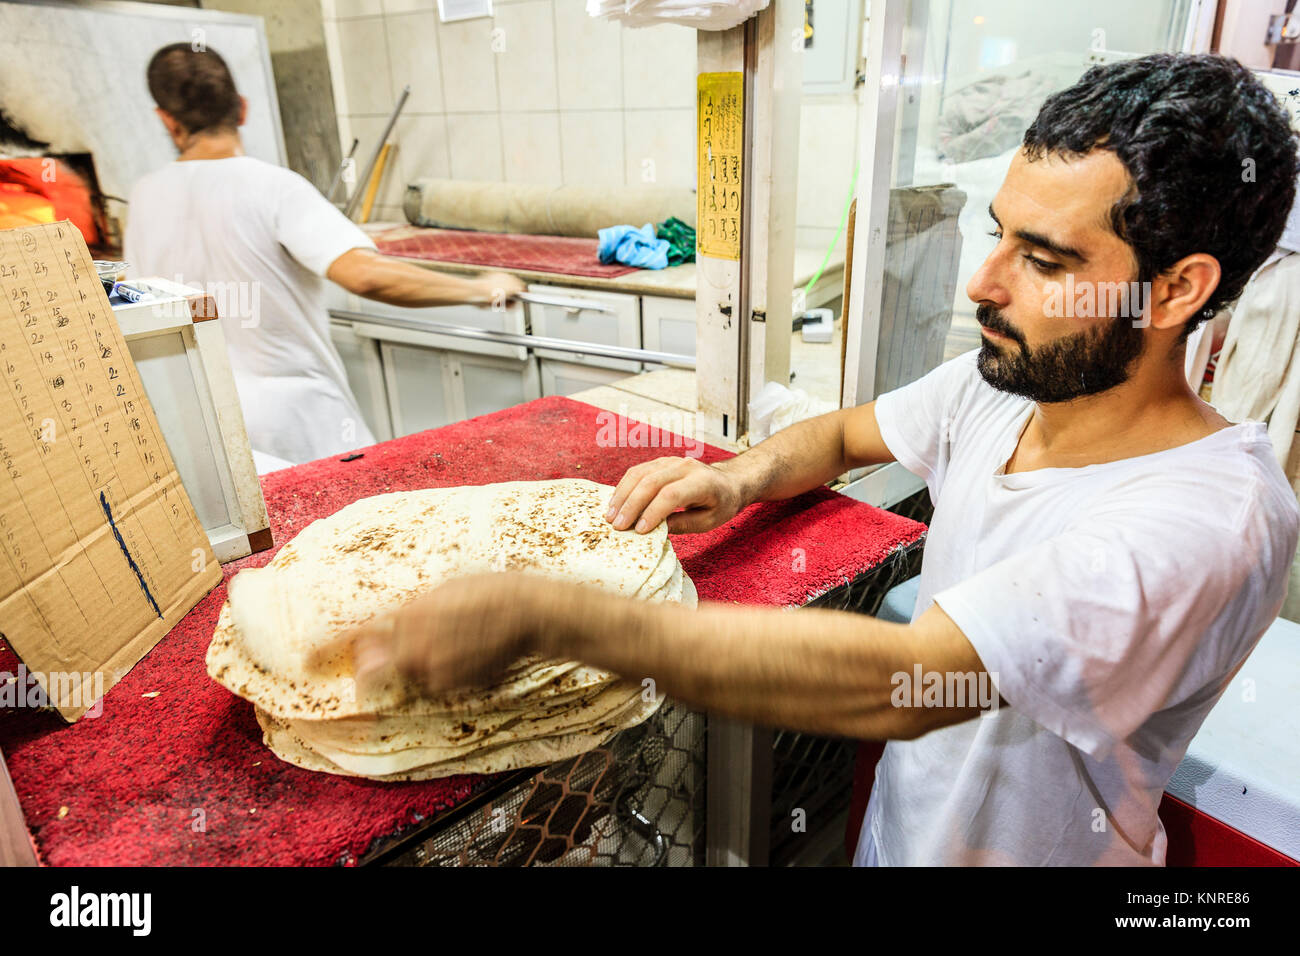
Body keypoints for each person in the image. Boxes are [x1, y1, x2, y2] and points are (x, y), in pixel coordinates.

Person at [342, 54, 1300, 866]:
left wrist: (547, 616)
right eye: (998, 231)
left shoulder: (1209, 518)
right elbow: (845, 436)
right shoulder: (1008, 384)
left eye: (1044, 260)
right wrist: (736, 478)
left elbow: (914, 681)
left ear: (1178, 289)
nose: (983, 282)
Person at [126, 44, 525, 466]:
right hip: (300, 426)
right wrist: (482, 289)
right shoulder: (274, 187)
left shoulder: (144, 197)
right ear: (241, 109)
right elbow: (366, 275)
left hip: (206, 431)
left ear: (166, 120)